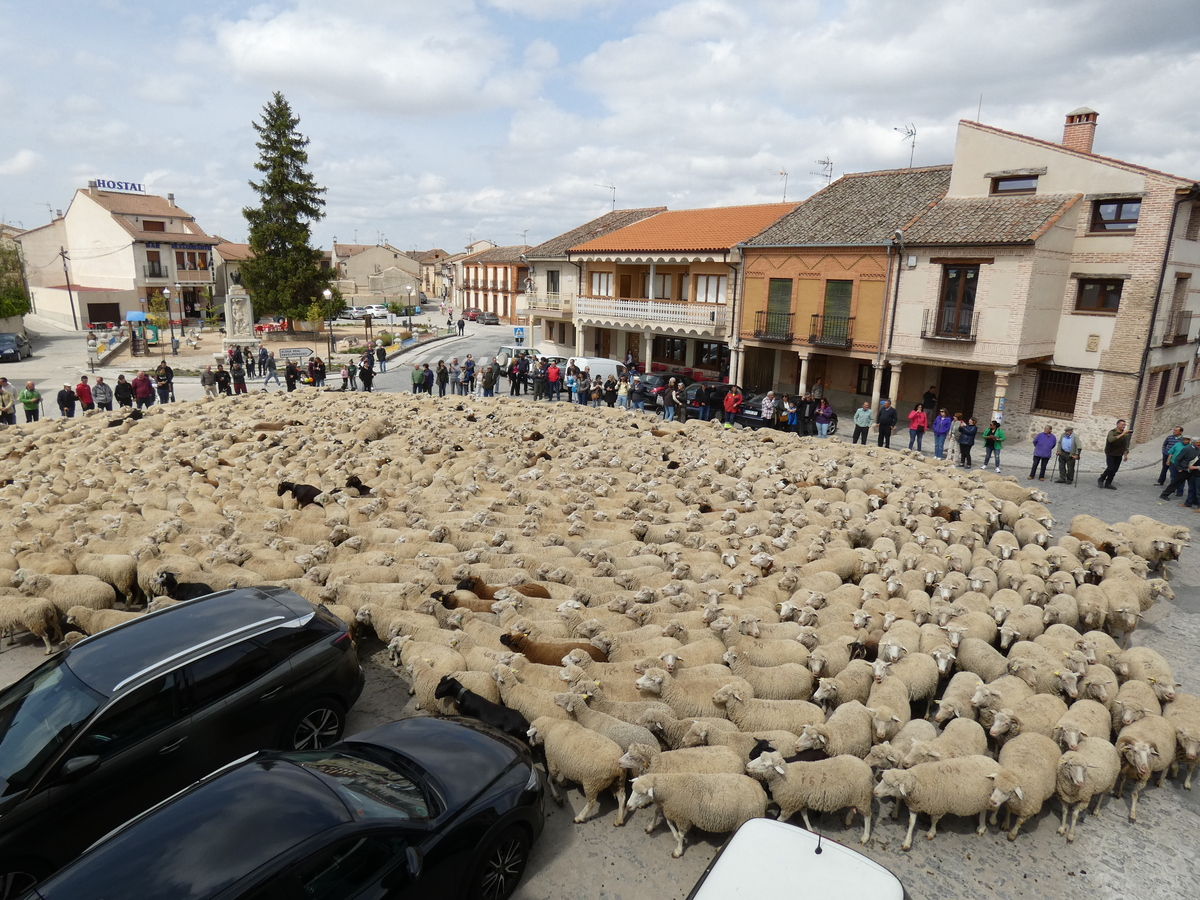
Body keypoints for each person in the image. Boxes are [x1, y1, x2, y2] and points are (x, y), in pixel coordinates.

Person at [1158, 435, 1200, 501]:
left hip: (1191, 470)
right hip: (1183, 469)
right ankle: (1164, 494)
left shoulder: (1198, 450)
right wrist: (1178, 468)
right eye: (1197, 444)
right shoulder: (1187, 449)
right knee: (1175, 483)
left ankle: (1193, 500)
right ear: (1193, 443)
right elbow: (1178, 459)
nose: (1198, 446)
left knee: (1193, 486)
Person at [1099, 418, 1132, 489]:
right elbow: (1111, 440)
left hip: (1119, 454)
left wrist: (1125, 454)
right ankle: (1101, 478)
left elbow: (1125, 445)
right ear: (1117, 424)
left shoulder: (1125, 434)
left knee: (1115, 470)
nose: (1123, 426)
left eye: (1124, 425)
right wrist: (1122, 434)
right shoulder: (1112, 432)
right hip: (1110, 452)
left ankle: (1108, 483)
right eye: (1122, 424)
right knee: (1110, 467)